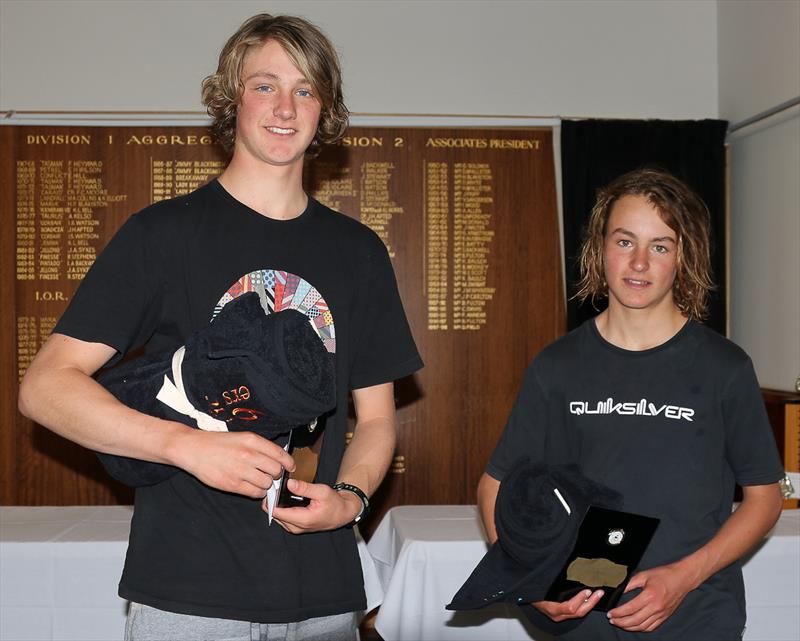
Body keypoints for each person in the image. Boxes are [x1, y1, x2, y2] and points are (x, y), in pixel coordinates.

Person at [19, 13, 422, 641]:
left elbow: (376, 421)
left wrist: (351, 499)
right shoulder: (163, 236)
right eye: (265, 85)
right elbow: (45, 387)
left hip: (323, 598)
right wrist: (185, 446)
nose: (285, 106)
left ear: (326, 111)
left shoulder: (359, 253)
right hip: (188, 596)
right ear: (230, 98)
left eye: (306, 89)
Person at [476, 168, 783, 640]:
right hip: (584, 623)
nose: (639, 263)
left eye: (660, 246)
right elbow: (495, 485)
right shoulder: (557, 366)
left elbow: (764, 500)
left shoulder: (725, 368)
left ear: (684, 257)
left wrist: (682, 578)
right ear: (600, 248)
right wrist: (529, 581)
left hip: (696, 616)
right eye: (625, 242)